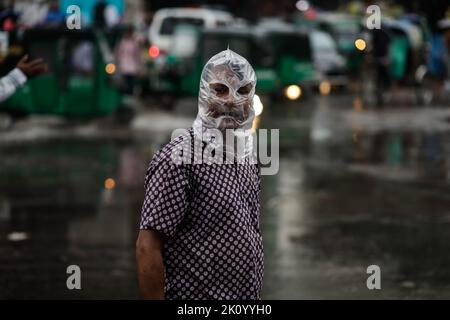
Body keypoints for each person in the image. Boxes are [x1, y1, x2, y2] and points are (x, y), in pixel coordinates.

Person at [136, 49, 263, 300]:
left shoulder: (249, 156)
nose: (231, 100)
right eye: (220, 89)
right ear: (204, 94)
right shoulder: (179, 159)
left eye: (243, 90)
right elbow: (147, 247)